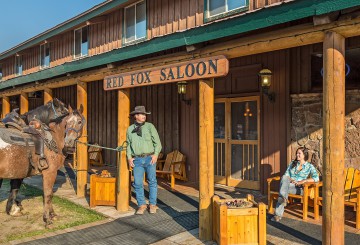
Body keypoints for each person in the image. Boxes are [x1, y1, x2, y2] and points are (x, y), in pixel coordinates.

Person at [126, 106, 162, 215]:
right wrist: (129, 157)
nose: (144, 116)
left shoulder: (150, 127)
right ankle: (141, 205)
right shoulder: (129, 129)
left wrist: (155, 155)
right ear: (136, 116)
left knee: (152, 181)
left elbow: (158, 143)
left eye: (145, 114)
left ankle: (152, 204)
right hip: (137, 159)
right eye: (142, 114)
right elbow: (128, 145)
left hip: (149, 158)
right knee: (137, 183)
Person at [271, 147, 319, 222]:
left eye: (299, 153)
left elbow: (316, 178)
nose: (297, 155)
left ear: (304, 155)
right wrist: (291, 179)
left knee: (282, 190)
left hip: (300, 188)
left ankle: (277, 214)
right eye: (297, 153)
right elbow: (286, 175)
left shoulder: (309, 166)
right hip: (289, 185)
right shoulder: (292, 163)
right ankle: (283, 199)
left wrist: (302, 181)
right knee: (284, 178)